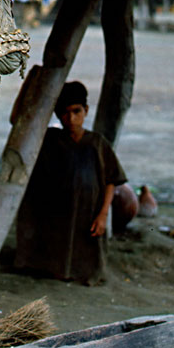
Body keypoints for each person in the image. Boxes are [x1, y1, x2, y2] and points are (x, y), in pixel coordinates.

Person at [15, 81, 127, 285]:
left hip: (88, 212)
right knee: (55, 252)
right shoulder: (49, 139)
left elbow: (112, 179)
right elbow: (19, 120)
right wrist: (33, 78)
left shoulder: (97, 143)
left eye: (77, 111)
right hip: (57, 213)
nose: (71, 119)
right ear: (57, 114)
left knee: (87, 257)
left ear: (86, 110)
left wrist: (103, 215)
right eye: (64, 113)